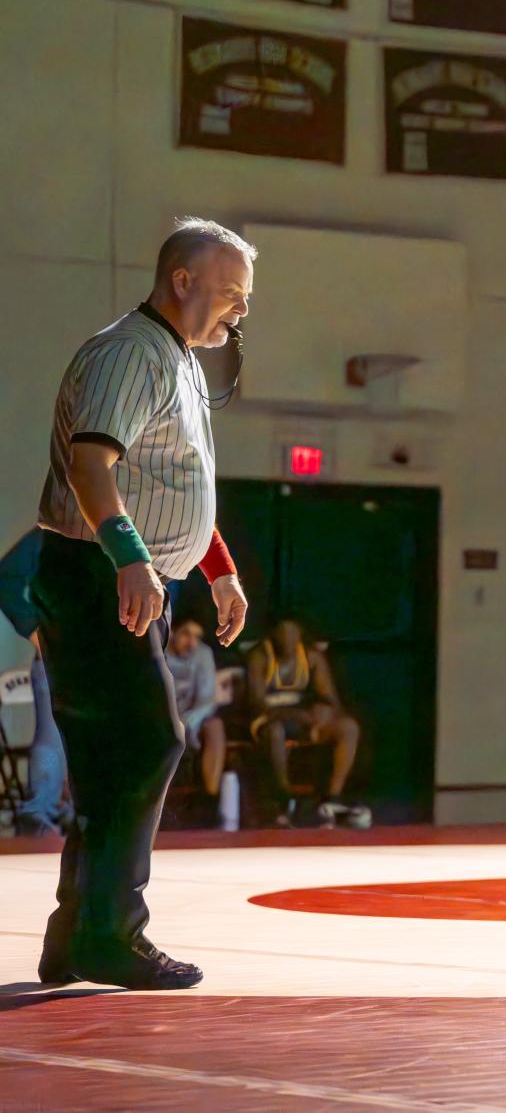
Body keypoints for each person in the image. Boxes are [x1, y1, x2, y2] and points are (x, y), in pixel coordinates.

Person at [32, 218, 253, 990]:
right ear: (182, 280)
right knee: (148, 743)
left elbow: (173, 481)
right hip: (100, 577)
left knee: (109, 761)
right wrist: (129, 557)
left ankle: (78, 933)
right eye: (231, 292)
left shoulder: (177, 359)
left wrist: (218, 567)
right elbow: (95, 464)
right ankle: (112, 934)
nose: (240, 311)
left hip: (119, 579)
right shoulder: (132, 351)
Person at [245, 618, 366, 827]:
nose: (287, 639)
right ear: (273, 634)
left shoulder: (311, 657)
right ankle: (283, 797)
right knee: (274, 732)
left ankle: (332, 798)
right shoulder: (260, 655)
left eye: (292, 633)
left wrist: (324, 710)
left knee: (348, 727)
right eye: (282, 633)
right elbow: (257, 703)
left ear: (300, 634)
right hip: (270, 720)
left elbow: (331, 699)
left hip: (305, 720)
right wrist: (295, 715)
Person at [1, 529, 71, 836]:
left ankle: (58, 811)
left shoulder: (115, 528)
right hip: (61, 647)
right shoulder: (52, 531)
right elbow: (6, 577)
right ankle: (39, 812)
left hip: (100, 652)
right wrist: (32, 629)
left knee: (83, 737)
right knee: (53, 734)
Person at [164, 616, 227, 816]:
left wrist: (186, 724)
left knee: (215, 726)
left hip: (191, 720)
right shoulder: (159, 651)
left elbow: (206, 700)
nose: (191, 642)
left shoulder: (202, 653)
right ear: (172, 631)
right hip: (160, 718)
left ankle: (210, 801)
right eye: (186, 635)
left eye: (197, 637)